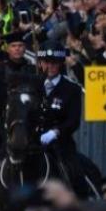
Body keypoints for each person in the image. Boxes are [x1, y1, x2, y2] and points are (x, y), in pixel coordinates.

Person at [36, 42, 86, 197]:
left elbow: (73, 121)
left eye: (54, 63)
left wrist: (55, 132)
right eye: (46, 62)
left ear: (60, 64)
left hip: (59, 143)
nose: (50, 66)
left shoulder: (72, 89)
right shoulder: (33, 85)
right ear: (40, 63)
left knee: (75, 172)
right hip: (32, 141)